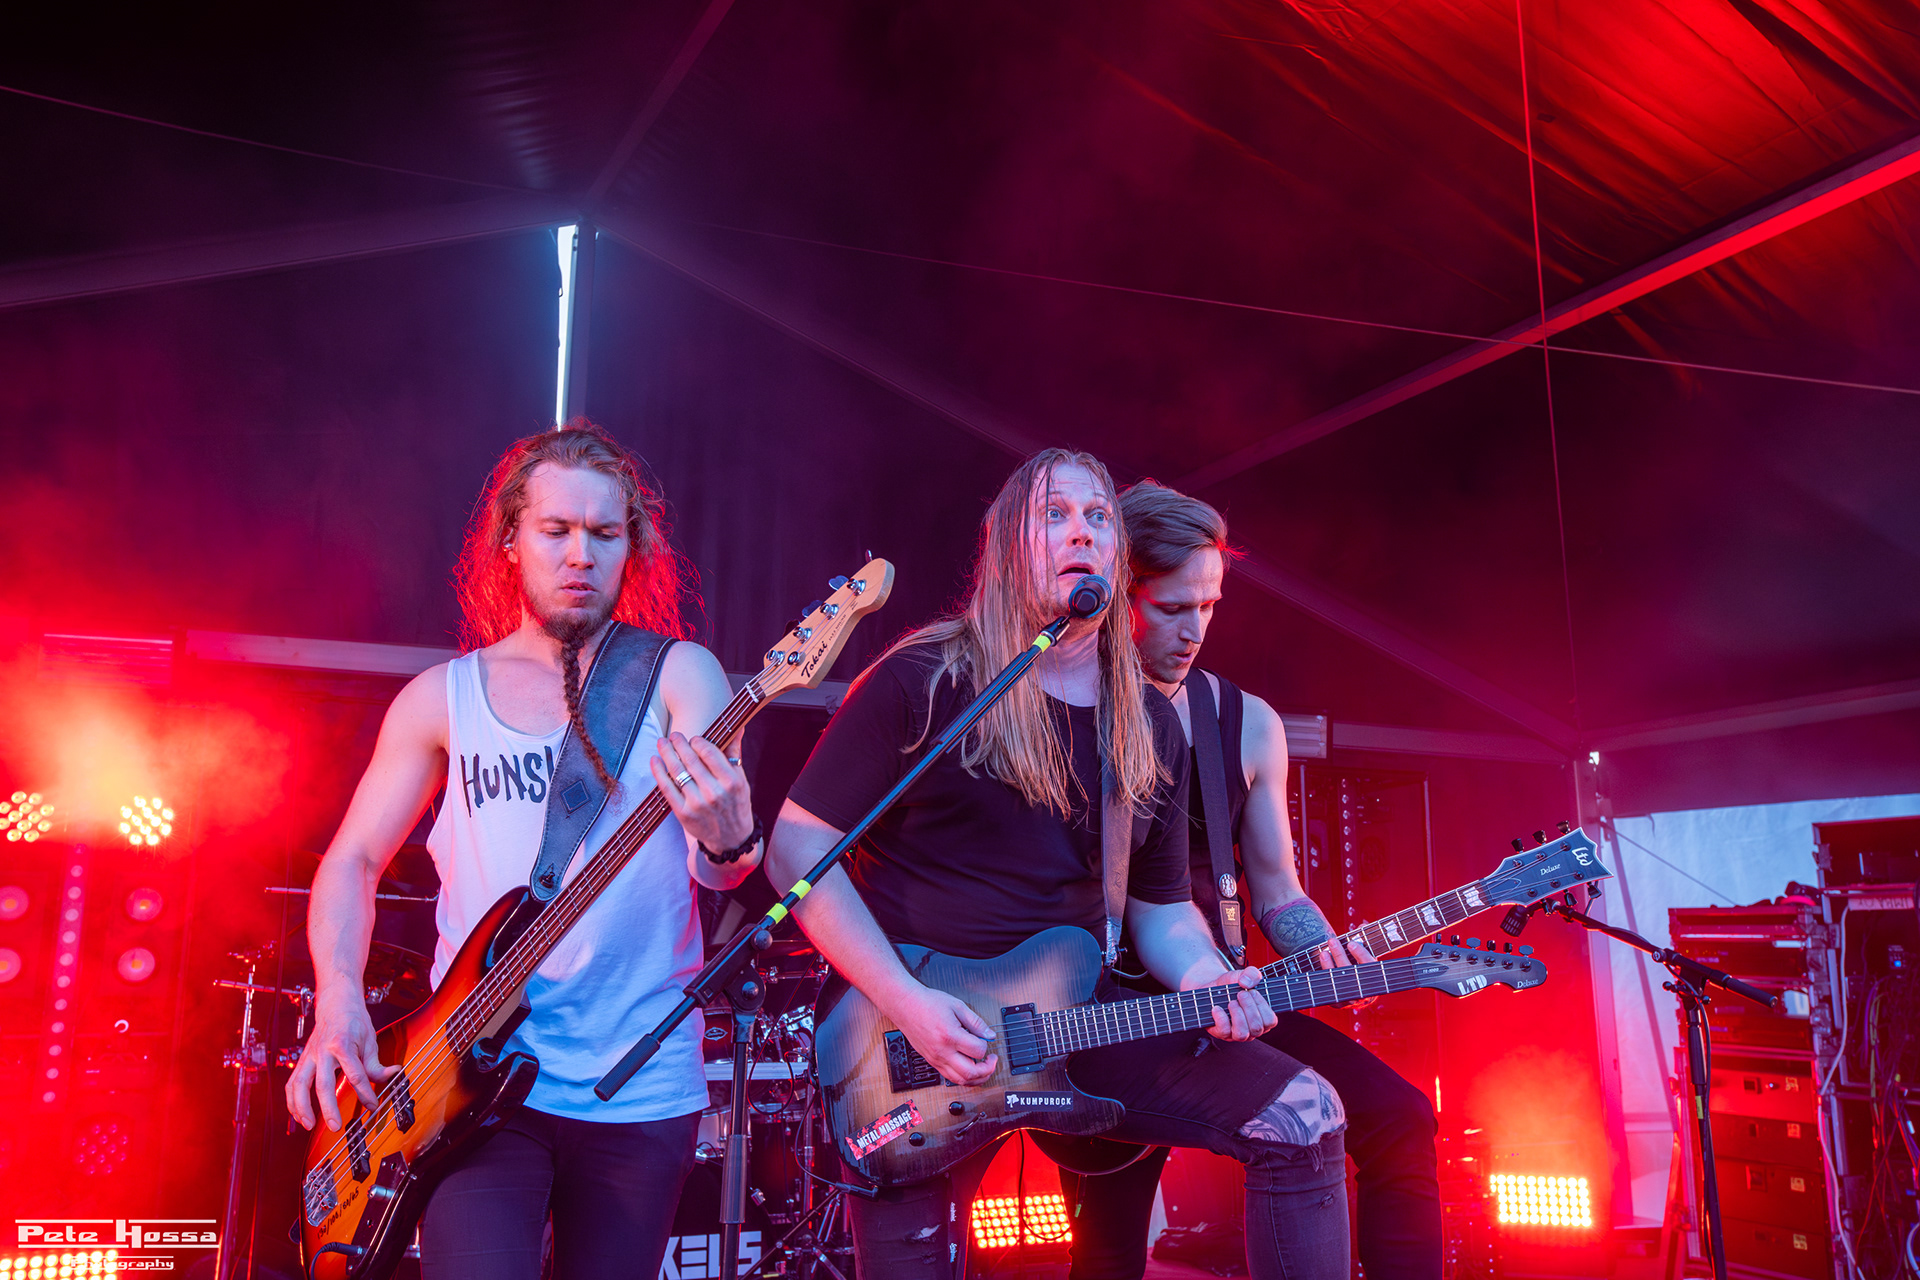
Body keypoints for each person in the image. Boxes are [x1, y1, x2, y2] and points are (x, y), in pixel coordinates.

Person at [765, 449, 1351, 1280]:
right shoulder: (924, 680)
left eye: (1098, 517)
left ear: (1117, 554)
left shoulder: (1146, 722)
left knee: (1305, 1114)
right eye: (1056, 514)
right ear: (1009, 543)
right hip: (910, 1042)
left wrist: (1207, 978)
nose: (1082, 531)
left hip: (1074, 1019)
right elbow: (797, 849)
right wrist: (906, 1000)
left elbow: (1160, 910)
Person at [284, 423, 764, 1280]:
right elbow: (352, 860)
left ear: (631, 547)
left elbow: (716, 867)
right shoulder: (441, 698)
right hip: (466, 1076)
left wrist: (732, 838)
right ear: (510, 540)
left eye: (604, 533)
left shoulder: (679, 674)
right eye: (556, 530)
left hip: (639, 1086)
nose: (581, 554)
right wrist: (338, 1002)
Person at [1056, 479, 1442, 1280]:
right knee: (1109, 1249)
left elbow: (1277, 889)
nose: (1194, 631)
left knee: (1400, 1117)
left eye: (1209, 606)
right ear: (1116, 591)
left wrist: (1325, 950)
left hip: (1224, 998)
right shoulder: (1058, 712)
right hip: (1100, 1017)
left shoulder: (1248, 723)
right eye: (1171, 608)